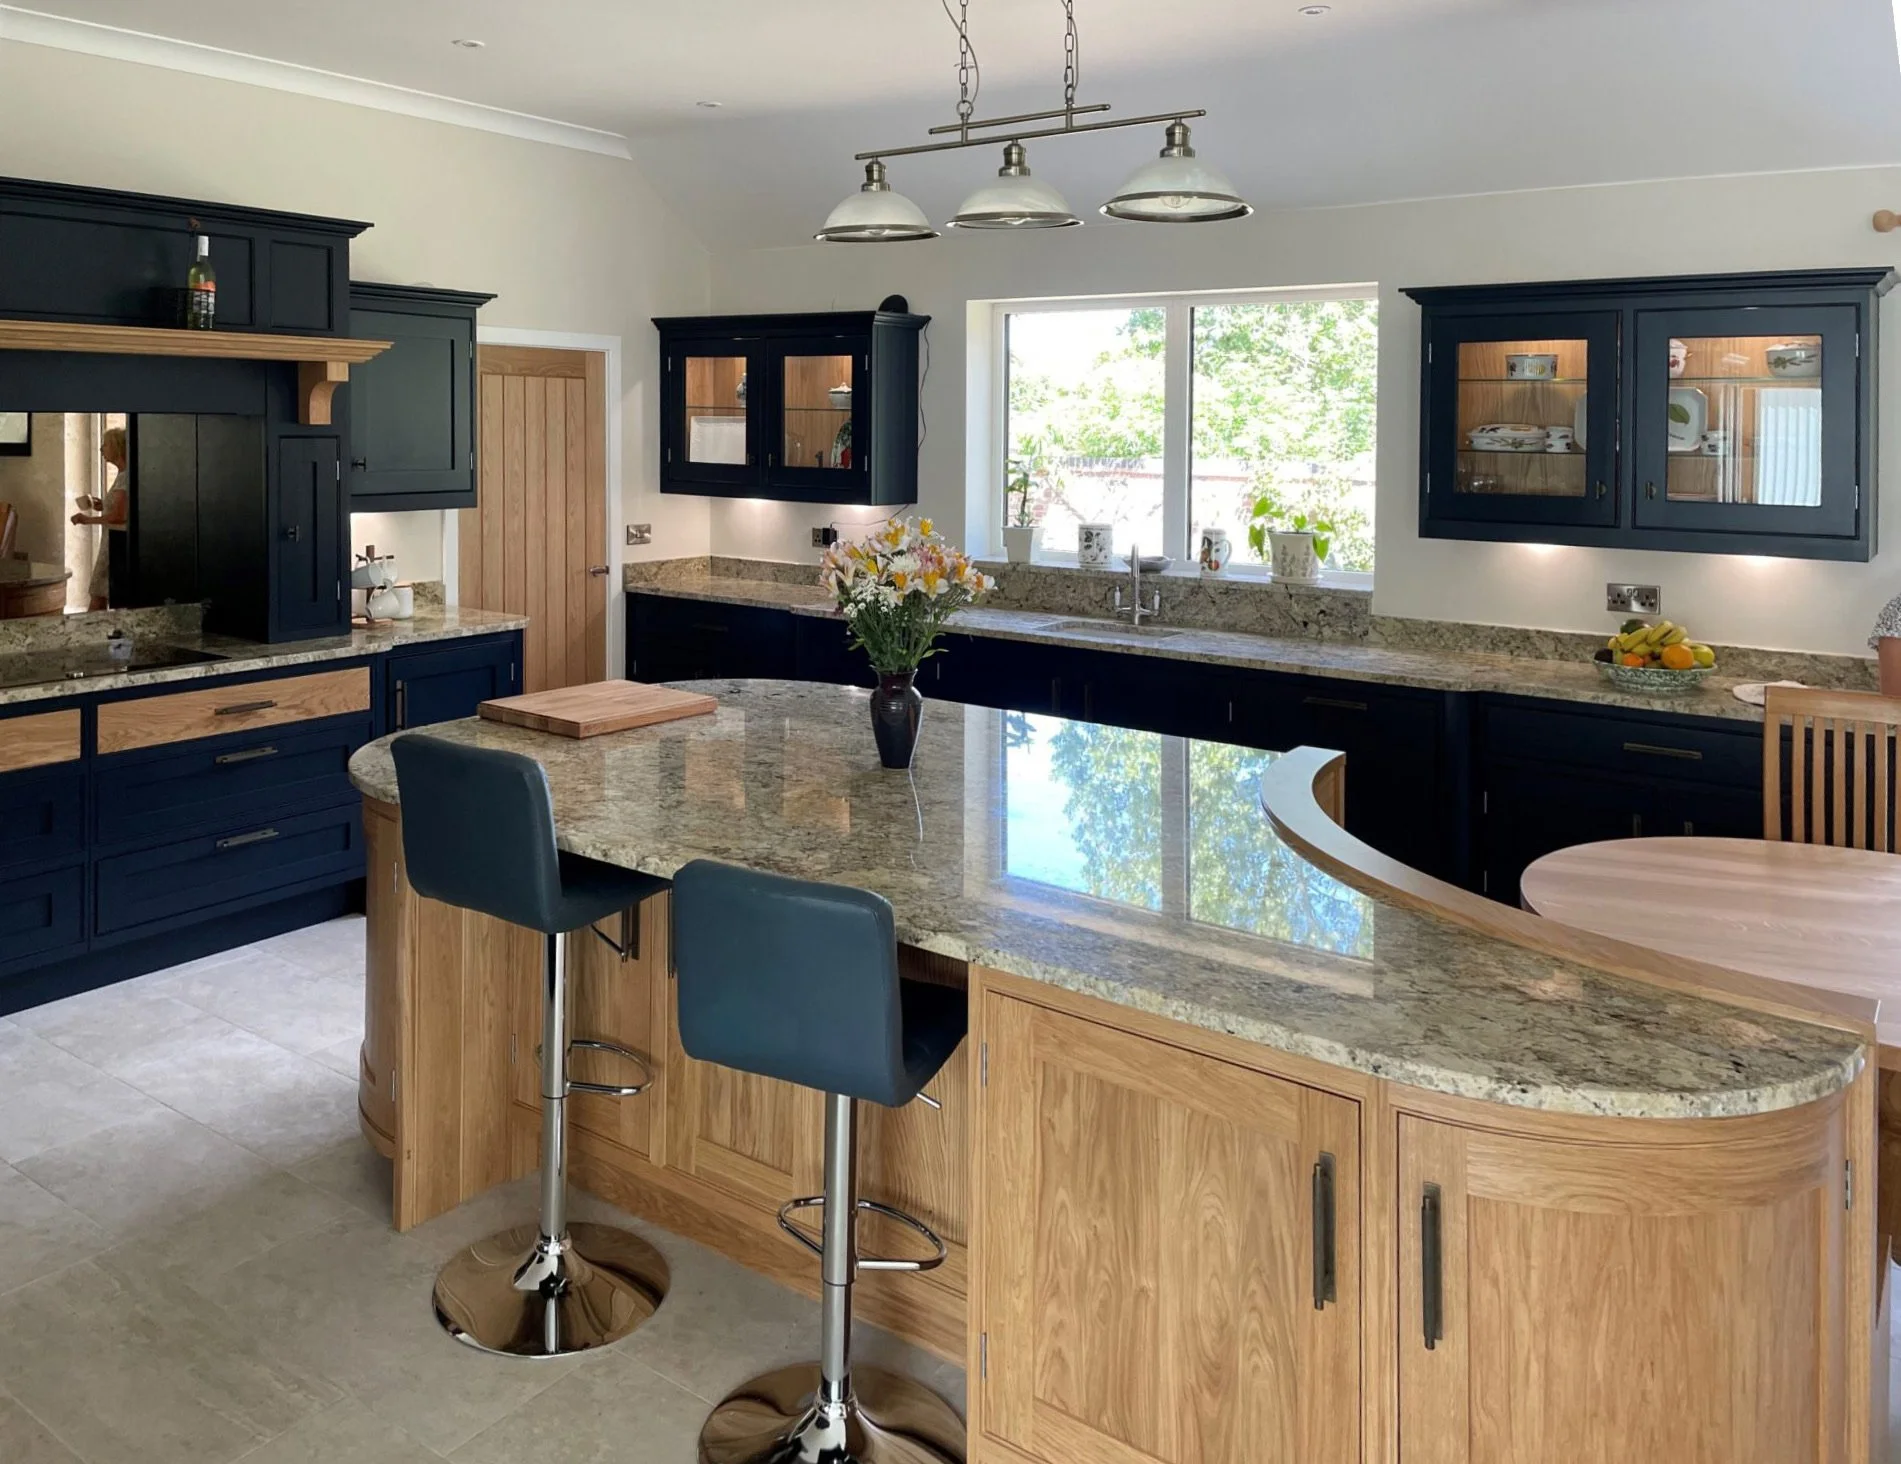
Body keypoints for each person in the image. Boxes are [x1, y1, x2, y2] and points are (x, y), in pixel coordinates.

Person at [72, 425, 129, 612]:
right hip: (111, 540)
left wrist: (86, 520)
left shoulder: (125, 477)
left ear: (116, 447)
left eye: (105, 445)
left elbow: (120, 516)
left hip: (116, 543)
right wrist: (101, 505)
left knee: (99, 591)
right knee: (99, 591)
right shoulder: (122, 476)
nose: (101, 449)